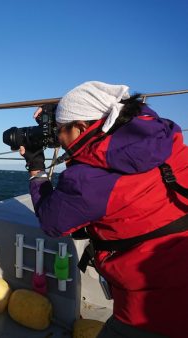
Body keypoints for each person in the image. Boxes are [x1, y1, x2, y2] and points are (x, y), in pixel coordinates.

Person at [21, 81, 188, 338]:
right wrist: (63, 111)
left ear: (80, 127)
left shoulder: (89, 180)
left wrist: (36, 169)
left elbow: (51, 221)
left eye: (60, 130)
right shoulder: (161, 134)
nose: (58, 138)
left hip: (154, 307)